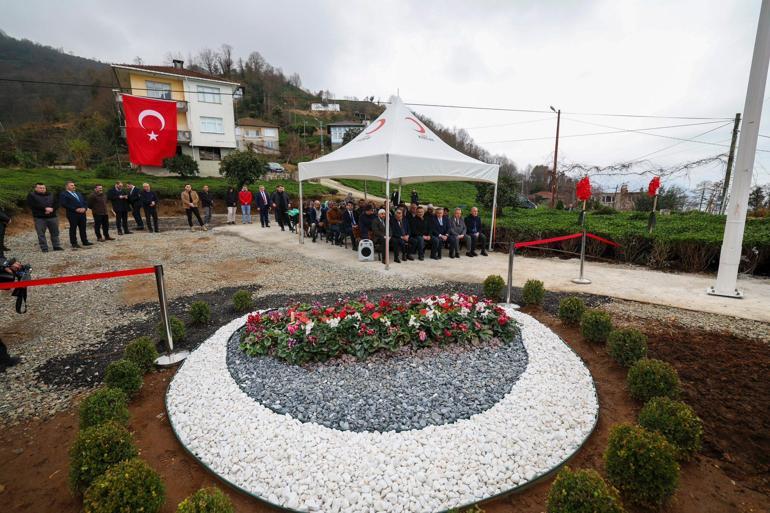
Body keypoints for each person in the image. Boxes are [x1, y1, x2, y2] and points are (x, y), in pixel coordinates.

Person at [26, 183, 62, 253]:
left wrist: (52, 209)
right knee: (41, 234)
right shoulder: (31, 195)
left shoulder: (51, 194)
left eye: (43, 188)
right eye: (40, 188)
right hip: (40, 218)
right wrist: (45, 209)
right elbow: (33, 205)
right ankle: (44, 248)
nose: (42, 189)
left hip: (52, 217)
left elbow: (57, 203)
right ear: (35, 188)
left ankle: (56, 246)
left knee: (55, 232)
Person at [59, 181, 92, 249]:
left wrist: (85, 208)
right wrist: (75, 209)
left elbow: (84, 202)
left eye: (74, 185)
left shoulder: (78, 193)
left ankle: (85, 241)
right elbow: (64, 204)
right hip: (72, 214)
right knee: (73, 228)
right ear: (67, 186)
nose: (74, 186)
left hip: (82, 213)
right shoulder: (64, 194)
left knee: (83, 228)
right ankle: (74, 243)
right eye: (71, 185)